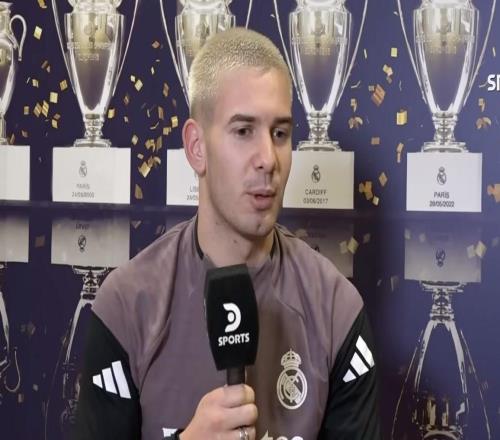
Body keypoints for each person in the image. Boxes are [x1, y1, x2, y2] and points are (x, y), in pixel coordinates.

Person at [74, 27, 381, 440]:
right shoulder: (127, 306)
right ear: (196, 147)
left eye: (280, 134)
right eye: (243, 131)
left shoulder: (336, 310)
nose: (268, 159)